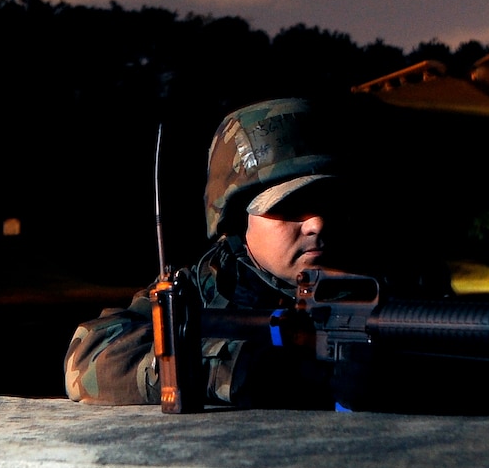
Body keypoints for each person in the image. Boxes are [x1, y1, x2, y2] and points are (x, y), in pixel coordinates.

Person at [64, 97, 348, 407]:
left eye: (326, 203)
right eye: (288, 207)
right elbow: (88, 358)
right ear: (238, 219)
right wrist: (228, 369)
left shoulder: (375, 287)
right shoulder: (203, 290)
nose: (316, 224)